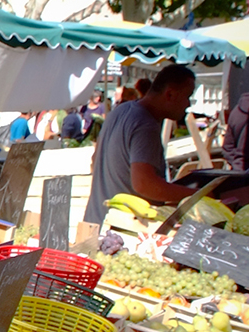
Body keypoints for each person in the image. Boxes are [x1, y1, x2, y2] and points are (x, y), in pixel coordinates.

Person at [83, 63, 198, 225]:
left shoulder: (120, 111)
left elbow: (95, 161)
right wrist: (198, 195)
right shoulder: (146, 125)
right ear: (170, 94)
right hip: (122, 232)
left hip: (95, 223)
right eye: (187, 96)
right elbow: (144, 184)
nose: (188, 104)